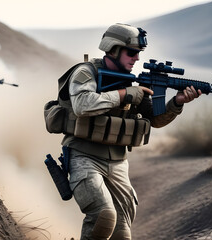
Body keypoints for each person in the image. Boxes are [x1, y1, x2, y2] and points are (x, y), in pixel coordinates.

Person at [60, 23, 201, 239]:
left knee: (121, 233)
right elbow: (82, 105)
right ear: (113, 49)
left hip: (117, 162)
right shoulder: (86, 72)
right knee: (103, 216)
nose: (136, 58)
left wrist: (176, 103)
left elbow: (154, 120)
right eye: (132, 52)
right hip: (83, 155)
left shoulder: (134, 83)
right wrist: (124, 94)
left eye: (138, 54)